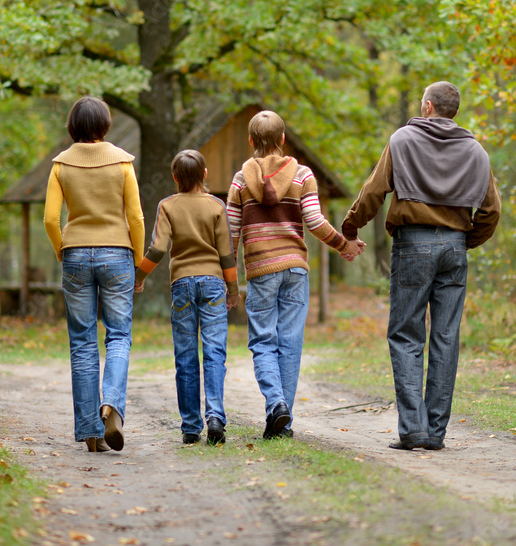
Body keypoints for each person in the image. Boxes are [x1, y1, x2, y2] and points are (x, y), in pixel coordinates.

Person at [342, 81, 501, 451]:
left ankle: (414, 429)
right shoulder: (477, 152)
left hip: (413, 245)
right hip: (455, 249)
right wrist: (465, 241)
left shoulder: (402, 140)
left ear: (428, 106)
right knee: (446, 337)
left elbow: (373, 192)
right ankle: (436, 433)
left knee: (405, 334)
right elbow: (492, 211)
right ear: (453, 111)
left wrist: (349, 228)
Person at [227, 110, 364, 440]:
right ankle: (282, 423)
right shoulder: (303, 175)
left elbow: (230, 233)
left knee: (263, 341)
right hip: (294, 270)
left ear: (250, 141)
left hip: (260, 270)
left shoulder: (240, 180)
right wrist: (342, 244)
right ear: (283, 139)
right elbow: (314, 221)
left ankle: (276, 405)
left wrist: (228, 279)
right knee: (289, 343)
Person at [44, 96, 144, 453]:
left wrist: (62, 249)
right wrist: (136, 258)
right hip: (117, 254)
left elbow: (49, 219)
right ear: (105, 125)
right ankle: (112, 406)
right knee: (118, 336)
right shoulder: (122, 163)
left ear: (72, 126)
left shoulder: (60, 165)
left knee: (82, 343)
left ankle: (90, 432)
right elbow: (135, 218)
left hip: (75, 256)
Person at [134, 150, 240, 446]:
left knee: (185, 356)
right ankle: (216, 416)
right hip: (214, 284)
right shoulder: (217, 206)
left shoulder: (167, 206)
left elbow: (157, 249)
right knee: (215, 352)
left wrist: (138, 277)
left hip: (182, 284)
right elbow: (226, 254)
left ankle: (191, 427)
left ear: (175, 177)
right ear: (205, 174)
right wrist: (233, 290)